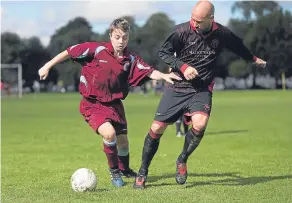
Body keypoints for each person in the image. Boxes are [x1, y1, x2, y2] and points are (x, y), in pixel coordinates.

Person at [133, 1, 267, 189]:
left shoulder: (222, 33)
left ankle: (182, 159)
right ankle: (142, 171)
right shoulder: (181, 31)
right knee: (156, 129)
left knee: (200, 124)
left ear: (211, 19)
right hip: (178, 87)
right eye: (192, 19)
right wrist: (183, 66)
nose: (194, 23)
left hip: (202, 89)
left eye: (199, 21)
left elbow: (237, 45)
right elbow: (164, 52)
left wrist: (252, 59)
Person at [38, 18, 181, 188]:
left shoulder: (130, 59)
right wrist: (47, 66)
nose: (121, 42)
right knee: (109, 134)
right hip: (92, 104)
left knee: (123, 142)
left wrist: (164, 76)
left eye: (125, 38)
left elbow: (148, 71)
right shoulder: (96, 49)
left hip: (115, 105)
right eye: (117, 37)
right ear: (110, 36)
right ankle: (114, 172)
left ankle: (125, 169)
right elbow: (69, 51)